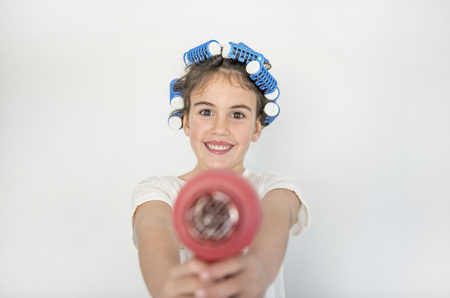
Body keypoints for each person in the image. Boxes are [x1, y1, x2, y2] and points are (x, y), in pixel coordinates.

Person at [131, 40, 310, 298]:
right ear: (186, 122)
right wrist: (165, 284)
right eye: (206, 112)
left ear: (257, 128)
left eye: (237, 115)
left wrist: (259, 267)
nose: (220, 128)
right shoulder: (159, 192)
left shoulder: (277, 188)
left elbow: (277, 215)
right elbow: (153, 224)